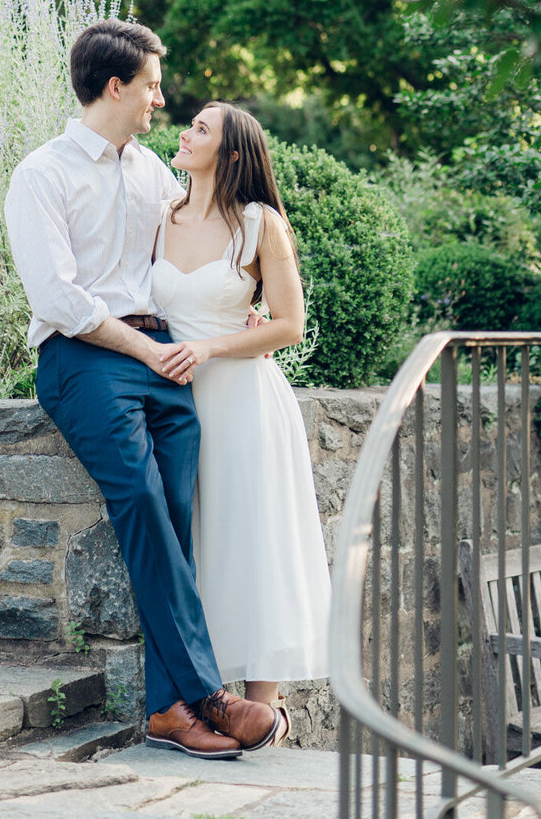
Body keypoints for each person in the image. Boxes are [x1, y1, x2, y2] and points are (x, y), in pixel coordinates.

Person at [4, 20, 281, 760]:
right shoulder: (43, 173)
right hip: (84, 357)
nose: (162, 98)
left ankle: (166, 711)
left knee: (177, 516)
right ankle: (208, 695)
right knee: (143, 500)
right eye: (153, 84)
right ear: (117, 85)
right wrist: (141, 348)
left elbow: (201, 237)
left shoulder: (152, 174)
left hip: (161, 355)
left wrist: (242, 296)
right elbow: (58, 297)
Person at [151, 102, 332, 739]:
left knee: (254, 541)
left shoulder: (260, 224)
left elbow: (288, 324)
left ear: (230, 155)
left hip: (245, 403)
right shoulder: (159, 214)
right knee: (199, 540)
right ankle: (210, 697)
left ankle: (267, 710)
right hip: (175, 406)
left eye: (201, 128)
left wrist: (210, 345)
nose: (184, 131)